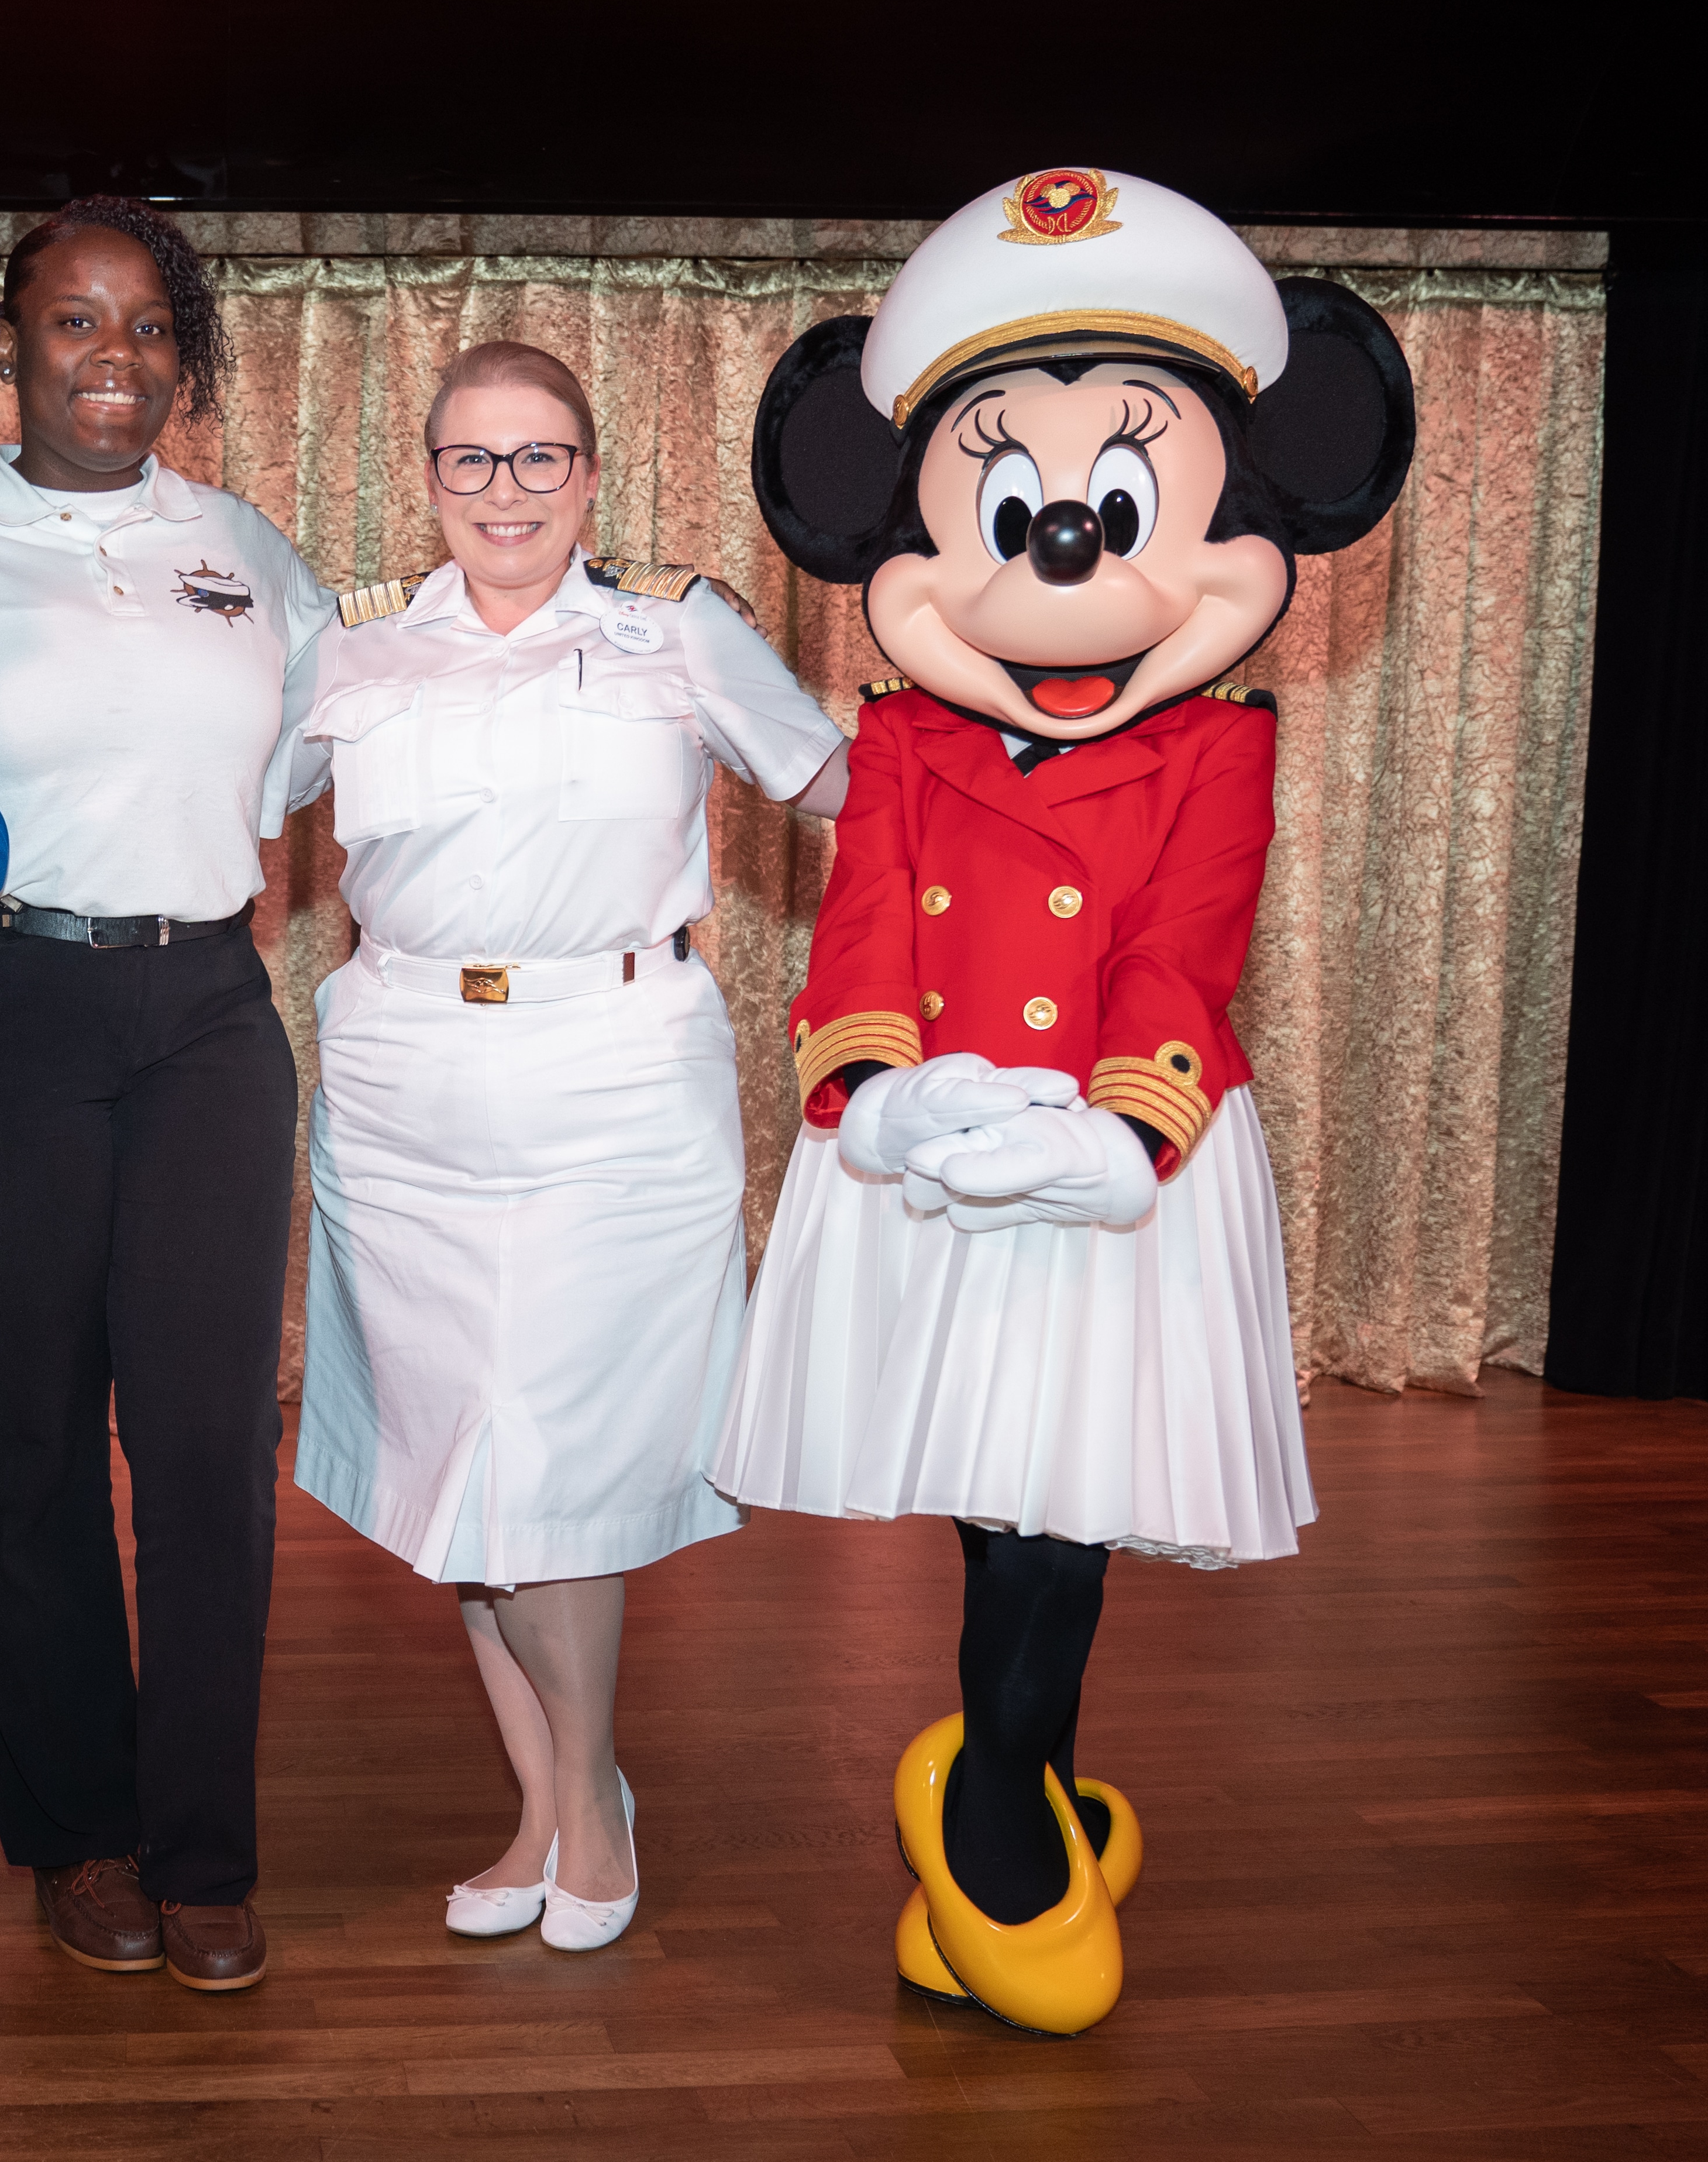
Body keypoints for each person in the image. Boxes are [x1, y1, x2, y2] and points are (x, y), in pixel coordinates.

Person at [718, 167, 1416, 2034]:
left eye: (1118, 506)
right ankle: (1020, 1802)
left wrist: (1119, 1132)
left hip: (1114, 1153)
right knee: (990, 1491)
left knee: (1062, 1501)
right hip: (937, 1145)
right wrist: (872, 1093)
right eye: (1014, 511)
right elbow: (862, 925)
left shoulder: (1222, 743)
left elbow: (1188, 948)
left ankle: (1002, 1821)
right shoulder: (897, 734)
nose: (1063, 559)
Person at [287, 341, 849, 1952]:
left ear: (590, 476)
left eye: (540, 457)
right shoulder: (352, 648)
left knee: (548, 1462)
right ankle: (540, 1809)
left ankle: (594, 1802)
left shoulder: (681, 634)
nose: (506, 491)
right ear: (430, 479)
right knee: (457, 1458)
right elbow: (200, 799)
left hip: (616, 1075)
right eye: (472, 459)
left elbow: (851, 794)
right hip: (404, 1083)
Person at [0, 198, 333, 1994]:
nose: (113, 358)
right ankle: (80, 1832)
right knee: (31, 1442)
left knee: (207, 1446)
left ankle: (204, 1851)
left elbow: (319, 759)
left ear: (181, 359)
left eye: (148, 328)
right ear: (7, 341)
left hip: (206, 1009)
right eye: (74, 321)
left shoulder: (246, 549)